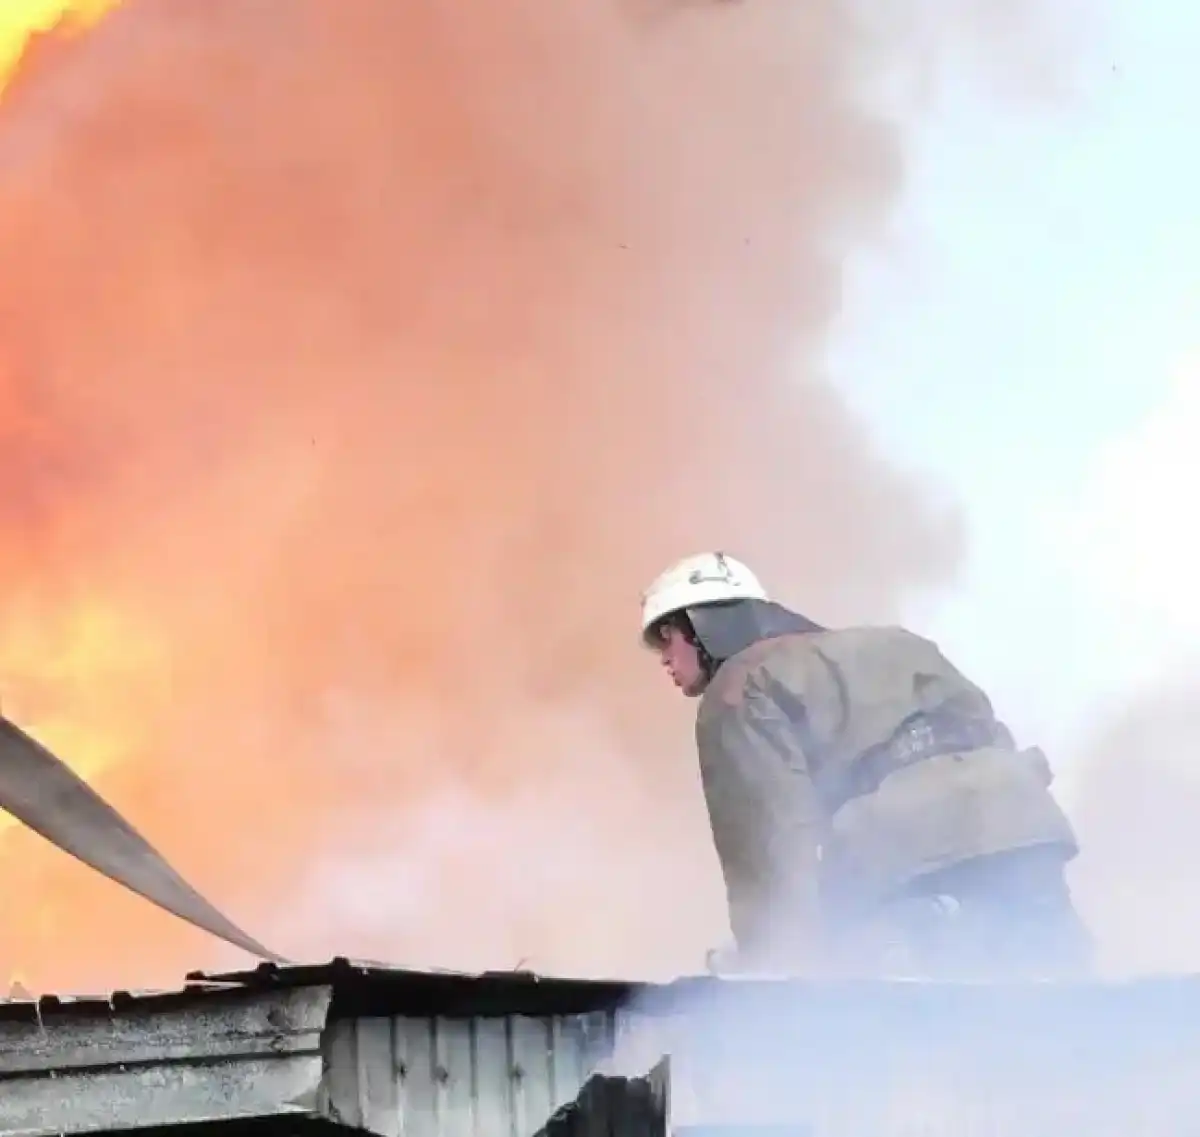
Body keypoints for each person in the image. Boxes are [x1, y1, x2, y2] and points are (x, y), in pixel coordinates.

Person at [640, 551, 1091, 980]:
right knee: (1063, 1015)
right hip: (1027, 834)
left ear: (705, 627)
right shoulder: (896, 643)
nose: (663, 657)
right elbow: (984, 729)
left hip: (909, 871)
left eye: (667, 635)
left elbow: (773, 846)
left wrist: (772, 971)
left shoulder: (741, 685)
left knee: (886, 1020)